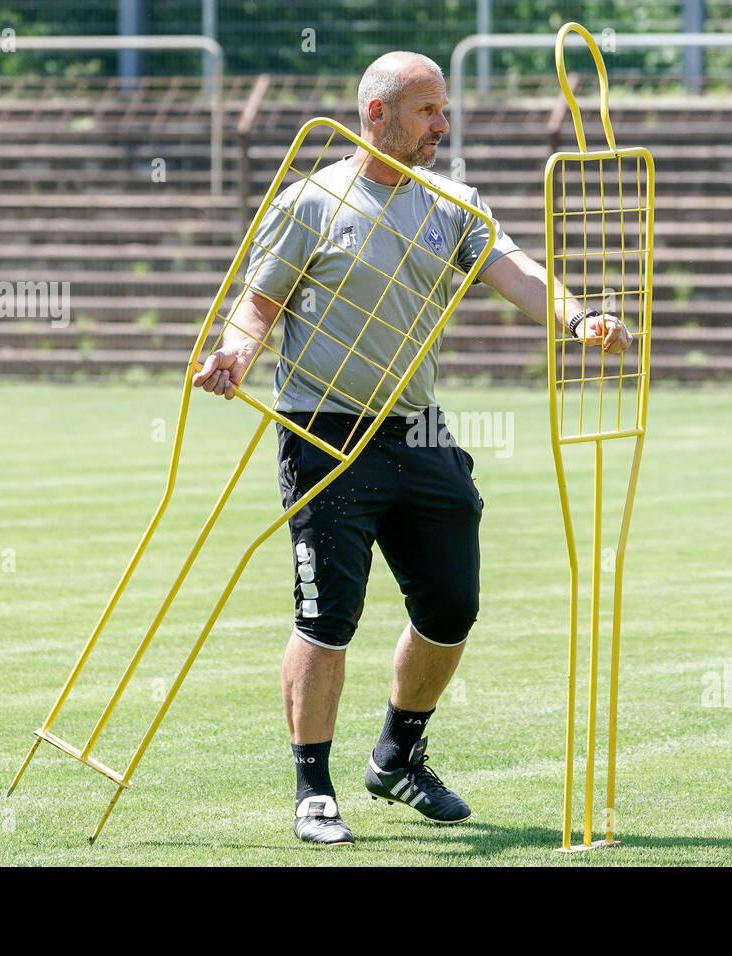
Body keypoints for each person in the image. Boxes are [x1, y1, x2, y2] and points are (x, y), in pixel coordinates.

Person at [192, 50, 632, 846]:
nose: (442, 124)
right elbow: (257, 307)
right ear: (376, 115)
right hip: (322, 432)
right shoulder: (312, 203)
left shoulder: (450, 201)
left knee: (451, 607)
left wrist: (577, 318)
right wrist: (234, 355)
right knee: (326, 619)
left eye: (443, 110)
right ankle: (313, 791)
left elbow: (518, 271)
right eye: (428, 110)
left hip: (418, 429)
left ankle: (396, 755)